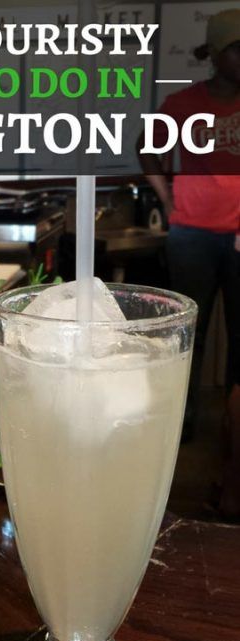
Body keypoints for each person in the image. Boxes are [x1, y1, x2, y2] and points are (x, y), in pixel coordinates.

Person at [138, 9, 240, 518]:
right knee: (187, 338)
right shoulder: (184, 104)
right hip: (192, 235)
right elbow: (146, 149)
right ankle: (180, 428)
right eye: (237, 48)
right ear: (216, 54)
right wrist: (169, 195)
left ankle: (234, 441)